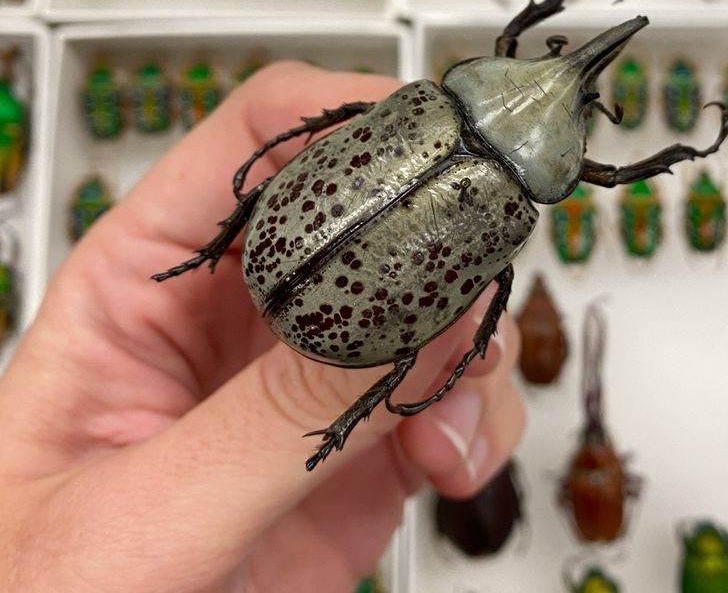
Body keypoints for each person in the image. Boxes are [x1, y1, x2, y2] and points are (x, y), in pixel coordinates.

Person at [0, 63, 525, 592]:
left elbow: (331, 131)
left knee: (411, 348)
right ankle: (334, 425)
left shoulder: (427, 113)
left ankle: (330, 419)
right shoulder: (485, 179)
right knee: (415, 352)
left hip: (299, 268)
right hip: (330, 307)